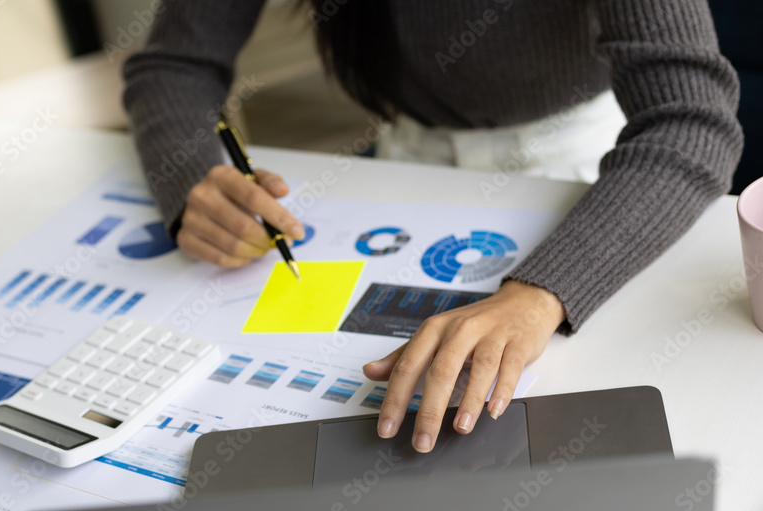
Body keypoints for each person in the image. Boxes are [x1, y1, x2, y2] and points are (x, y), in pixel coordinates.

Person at [122, 1, 743, 453]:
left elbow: (689, 121)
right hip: (408, 165)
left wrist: (540, 294)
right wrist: (192, 179)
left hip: (592, 170)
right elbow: (171, 66)